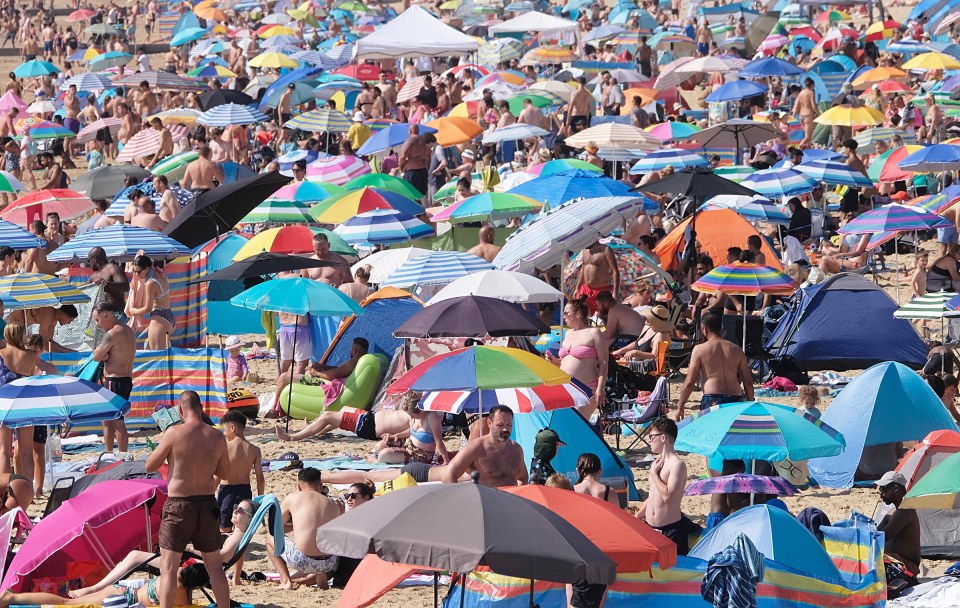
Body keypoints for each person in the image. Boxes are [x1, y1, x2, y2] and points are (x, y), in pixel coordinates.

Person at [1, 500, 255, 608]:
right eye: (236, 508)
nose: (235, 511)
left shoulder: (231, 540)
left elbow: (220, 558)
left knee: (70, 602)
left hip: (128, 591)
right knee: (68, 603)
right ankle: (14, 597)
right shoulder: (180, 595)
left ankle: (14, 597)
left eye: (241, 511)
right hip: (128, 593)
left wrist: (186, 548)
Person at [145, 391, 230, 608]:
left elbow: (150, 466)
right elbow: (226, 472)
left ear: (180, 410)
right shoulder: (217, 436)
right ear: (201, 408)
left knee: (168, 567)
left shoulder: (174, 432)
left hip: (179, 505)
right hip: (207, 503)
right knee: (214, 566)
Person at [266, 467, 340, 589]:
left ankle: (286, 581)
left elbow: (274, 527)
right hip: (330, 563)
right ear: (320, 486)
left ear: (299, 486)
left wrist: (293, 526)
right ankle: (321, 577)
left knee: (270, 537)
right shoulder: (332, 503)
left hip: (302, 561)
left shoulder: (293, 498)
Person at [676, 312, 753, 420]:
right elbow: (748, 380)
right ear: (720, 328)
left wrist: (681, 406)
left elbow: (689, 382)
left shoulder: (700, 349)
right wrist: (750, 401)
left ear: (704, 329)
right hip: (735, 397)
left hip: (712, 397)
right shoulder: (736, 349)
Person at [273, 337, 368, 416]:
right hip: (332, 383)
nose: (350, 350)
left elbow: (333, 375)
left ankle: (274, 409)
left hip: (326, 383)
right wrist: (323, 367)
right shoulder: (358, 361)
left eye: (351, 348)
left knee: (284, 377)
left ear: (355, 349)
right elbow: (340, 370)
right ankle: (279, 408)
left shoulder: (353, 362)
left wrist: (316, 373)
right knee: (298, 376)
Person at [635, 418, 689, 554]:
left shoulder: (677, 464)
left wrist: (654, 474)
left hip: (669, 530)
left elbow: (668, 496)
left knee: (672, 573)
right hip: (650, 527)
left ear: (663, 437)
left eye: (652, 437)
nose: (649, 441)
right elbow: (653, 496)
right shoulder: (658, 462)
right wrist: (638, 516)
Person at [546, 299, 607, 420]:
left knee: (578, 421)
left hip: (587, 387)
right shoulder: (568, 333)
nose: (563, 316)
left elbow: (604, 362)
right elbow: (566, 361)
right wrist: (554, 361)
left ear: (578, 314)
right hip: (567, 388)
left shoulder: (594, 332)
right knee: (566, 424)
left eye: (566, 313)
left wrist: (601, 388)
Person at [442, 405, 527, 487]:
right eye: (500, 425)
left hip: (510, 499)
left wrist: (518, 497)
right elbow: (448, 476)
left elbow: (522, 478)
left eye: (509, 425)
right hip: (485, 500)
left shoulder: (516, 449)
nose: (505, 429)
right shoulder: (475, 448)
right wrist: (461, 499)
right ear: (489, 423)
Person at [92, 303, 135, 454]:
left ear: (106, 315)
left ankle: (120, 455)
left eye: (97, 320)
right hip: (125, 379)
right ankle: (109, 452)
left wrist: (103, 354)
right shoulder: (127, 329)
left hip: (114, 380)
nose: (97, 325)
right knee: (107, 418)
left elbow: (96, 356)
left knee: (116, 420)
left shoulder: (113, 333)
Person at [0, 323, 39, 478]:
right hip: (25, 403)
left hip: (5, 404)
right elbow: (32, 377)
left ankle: (3, 492)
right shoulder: (30, 356)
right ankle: (27, 489)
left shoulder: (1, 354)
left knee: (4, 451)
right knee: (26, 452)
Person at [372, 391, 449, 464]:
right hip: (408, 444)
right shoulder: (416, 417)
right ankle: (384, 458)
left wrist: (446, 460)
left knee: (384, 454)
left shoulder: (432, 418)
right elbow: (411, 431)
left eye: (413, 416)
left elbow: (438, 441)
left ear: (421, 411)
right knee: (380, 446)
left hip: (421, 454)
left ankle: (376, 461)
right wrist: (396, 435)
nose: (411, 418)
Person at [876, 471, 922, 581]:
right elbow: (875, 533)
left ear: (895, 488)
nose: (881, 494)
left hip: (906, 567)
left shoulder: (905, 512)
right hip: (897, 562)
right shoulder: (892, 512)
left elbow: (881, 537)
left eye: (883, 489)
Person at [126, 256, 174, 349]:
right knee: (155, 351)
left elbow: (148, 308)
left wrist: (133, 311)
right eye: (134, 271)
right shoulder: (160, 273)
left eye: (139, 271)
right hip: (168, 315)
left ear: (147, 268)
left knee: (157, 357)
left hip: (159, 319)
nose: (136, 274)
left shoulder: (150, 283)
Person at [574, 241, 620, 315]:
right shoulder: (585, 250)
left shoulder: (605, 250)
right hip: (585, 290)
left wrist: (615, 292)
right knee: (582, 316)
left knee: (602, 317)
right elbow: (583, 269)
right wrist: (577, 287)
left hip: (601, 290)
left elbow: (615, 271)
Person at [87, 247, 129, 314]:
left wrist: (107, 284)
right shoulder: (93, 277)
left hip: (116, 314)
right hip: (100, 318)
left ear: (94, 258)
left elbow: (125, 287)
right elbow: (84, 291)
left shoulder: (113, 269)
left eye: (88, 260)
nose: (89, 263)